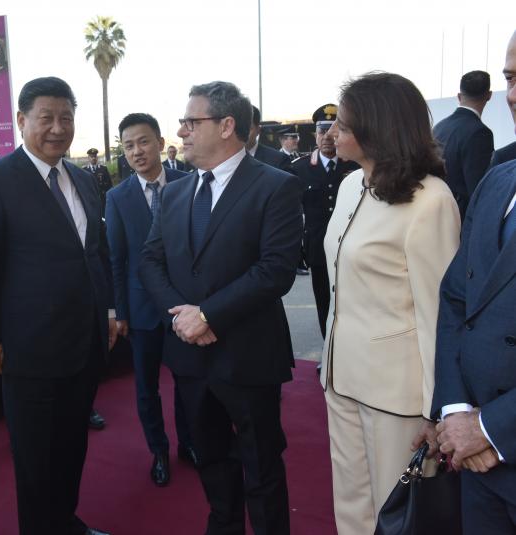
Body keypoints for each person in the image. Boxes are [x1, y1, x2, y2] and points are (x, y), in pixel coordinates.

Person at [140, 81, 302, 535]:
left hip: (248, 356)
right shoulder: (173, 193)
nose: (183, 131)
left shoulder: (276, 187)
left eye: (192, 122)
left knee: (261, 464)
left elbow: (275, 271)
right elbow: (151, 260)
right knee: (210, 458)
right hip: (190, 357)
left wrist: (207, 315)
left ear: (227, 125)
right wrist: (184, 315)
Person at [0, 76, 115, 535]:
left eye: (65, 118)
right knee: (35, 457)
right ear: (21, 121)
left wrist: (107, 313)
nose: (57, 127)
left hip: (84, 343)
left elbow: (96, 254)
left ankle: (66, 522)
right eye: (46, 117)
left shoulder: (84, 180)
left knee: (71, 447)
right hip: (28, 350)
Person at [321, 72, 460, 534]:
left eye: (343, 125)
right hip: (340, 376)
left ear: (379, 129)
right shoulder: (348, 187)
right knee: (352, 506)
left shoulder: (431, 201)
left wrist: (437, 409)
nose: (332, 134)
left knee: (398, 513)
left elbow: (439, 314)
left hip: (399, 395)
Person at [432, 30, 516, 534]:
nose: (514, 94)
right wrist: (459, 411)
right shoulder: (497, 179)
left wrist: (490, 428)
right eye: (510, 77)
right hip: (477, 465)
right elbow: (456, 301)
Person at [105, 112, 196, 487]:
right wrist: (119, 311)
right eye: (128, 146)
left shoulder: (188, 183)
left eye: (143, 142)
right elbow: (115, 258)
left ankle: (189, 443)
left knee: (188, 380)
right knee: (147, 388)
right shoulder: (117, 197)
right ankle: (158, 450)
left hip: (182, 306)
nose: (137, 151)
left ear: (160, 143)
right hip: (140, 310)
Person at [290, 104, 359, 338]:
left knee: (350, 303)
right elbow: (292, 213)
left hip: (351, 247)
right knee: (323, 301)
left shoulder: (355, 167)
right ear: (315, 135)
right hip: (317, 248)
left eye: (333, 131)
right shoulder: (299, 169)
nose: (328, 138)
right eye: (322, 132)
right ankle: (327, 348)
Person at [433, 70, 494, 219]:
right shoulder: (480, 133)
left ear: (459, 96)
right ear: (489, 95)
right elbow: (479, 191)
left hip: (436, 213)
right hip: (460, 221)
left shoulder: (439, 127)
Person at [245, 104, 290, 171]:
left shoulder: (278, 160)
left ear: (258, 130)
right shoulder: (226, 159)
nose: (241, 133)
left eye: (248, 129)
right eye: (237, 129)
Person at [85, 147, 113, 216]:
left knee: (104, 215)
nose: (93, 158)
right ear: (88, 158)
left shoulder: (103, 169)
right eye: (91, 157)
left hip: (102, 198)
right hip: (90, 198)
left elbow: (109, 184)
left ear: (97, 157)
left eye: (95, 156)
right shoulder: (84, 170)